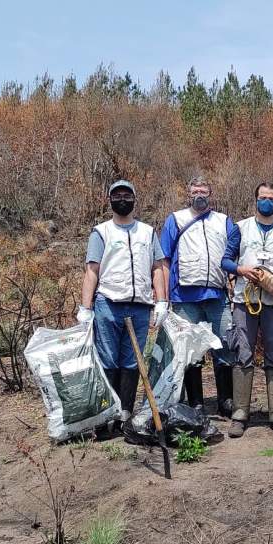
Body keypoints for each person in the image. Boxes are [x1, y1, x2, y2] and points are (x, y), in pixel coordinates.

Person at [76, 179, 168, 422]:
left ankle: (125, 411)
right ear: (109, 200)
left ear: (135, 199)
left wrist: (162, 301)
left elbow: (157, 268)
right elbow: (92, 270)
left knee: (132, 360)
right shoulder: (101, 232)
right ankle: (109, 412)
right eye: (117, 196)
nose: (122, 200)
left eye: (127, 195)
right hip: (108, 304)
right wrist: (85, 308)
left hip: (140, 307)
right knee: (108, 359)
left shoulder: (147, 232)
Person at [222, 182, 273, 437]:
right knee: (243, 353)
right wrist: (241, 270)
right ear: (255, 199)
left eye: (272, 198)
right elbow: (226, 260)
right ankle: (240, 414)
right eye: (263, 197)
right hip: (244, 300)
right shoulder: (240, 228)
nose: (267, 201)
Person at [159, 175, 237, 416]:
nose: (199, 195)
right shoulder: (175, 220)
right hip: (184, 298)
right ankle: (196, 403)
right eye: (195, 191)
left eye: (203, 191)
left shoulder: (224, 221)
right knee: (190, 351)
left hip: (218, 296)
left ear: (210, 194)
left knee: (225, 346)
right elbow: (164, 260)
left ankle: (226, 401)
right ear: (188, 193)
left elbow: (234, 257)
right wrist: (163, 298)